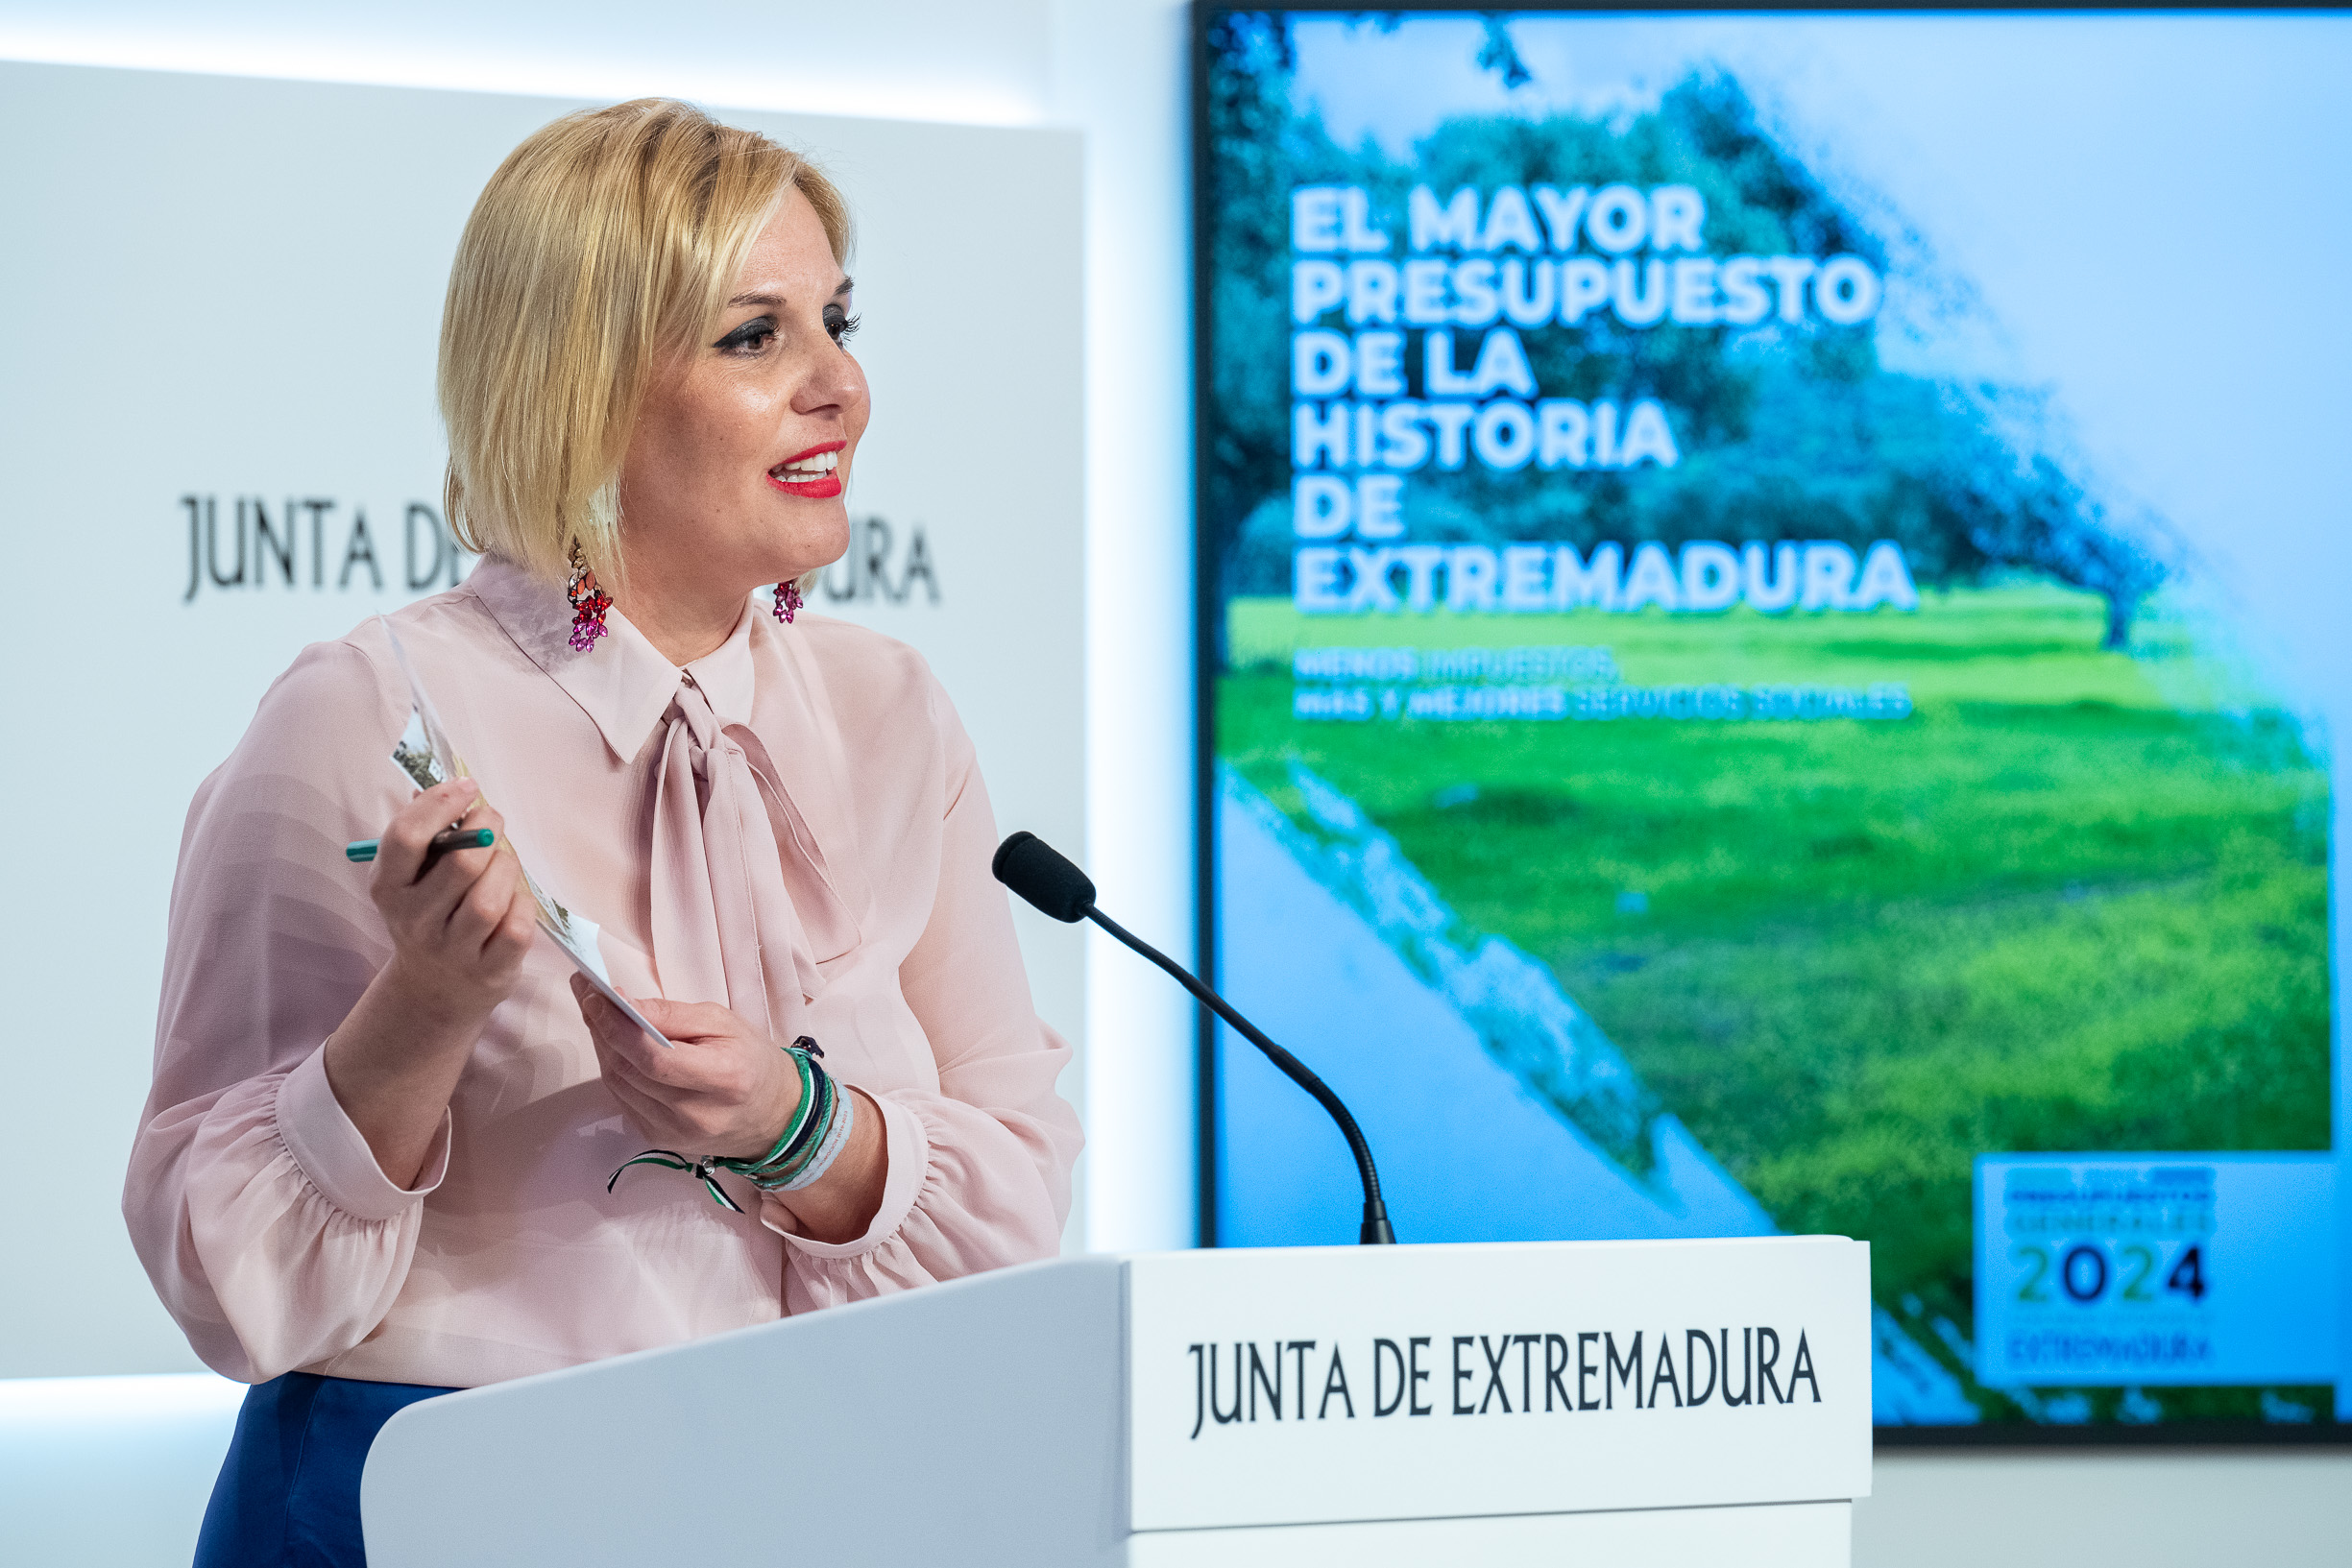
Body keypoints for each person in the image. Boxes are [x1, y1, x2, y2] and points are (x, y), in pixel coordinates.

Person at [124, 99, 1082, 1567]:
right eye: (755, 337)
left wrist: (797, 1126)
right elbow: (228, 1284)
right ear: (585, 386)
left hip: (809, 1495)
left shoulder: (892, 712)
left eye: (837, 318)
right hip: (424, 1504)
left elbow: (1015, 1195)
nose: (843, 385)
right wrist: (422, 1011)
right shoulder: (359, 713)